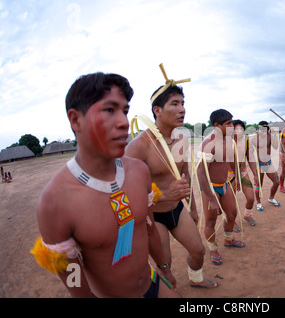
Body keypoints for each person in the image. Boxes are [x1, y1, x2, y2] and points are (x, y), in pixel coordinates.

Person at [31, 72, 179, 298]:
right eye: (110, 110)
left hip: (152, 283)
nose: (123, 122)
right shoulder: (54, 202)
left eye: (125, 111)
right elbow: (72, 275)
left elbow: (149, 228)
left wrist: (164, 269)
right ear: (75, 120)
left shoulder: (139, 172)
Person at [125, 81, 218, 288]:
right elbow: (128, 195)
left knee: (198, 251)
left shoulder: (181, 138)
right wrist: (166, 195)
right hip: (153, 216)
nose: (182, 109)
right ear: (157, 110)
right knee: (165, 265)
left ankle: (195, 279)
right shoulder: (138, 147)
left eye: (183, 103)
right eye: (174, 104)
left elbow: (185, 174)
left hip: (177, 209)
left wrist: (192, 206)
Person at [196, 109, 245, 266]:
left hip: (225, 184)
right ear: (217, 125)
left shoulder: (228, 141)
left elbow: (231, 161)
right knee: (211, 221)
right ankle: (213, 249)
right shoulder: (208, 144)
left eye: (232, 122)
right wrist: (211, 197)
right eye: (228, 123)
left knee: (232, 214)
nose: (232, 126)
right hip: (211, 188)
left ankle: (229, 240)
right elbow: (200, 172)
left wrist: (236, 177)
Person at [248, 121, 281, 211]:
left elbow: (275, 146)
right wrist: (255, 167)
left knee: (277, 182)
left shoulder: (270, 136)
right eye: (261, 130)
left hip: (268, 163)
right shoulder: (253, 139)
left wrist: (274, 136)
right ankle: (258, 203)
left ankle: (271, 198)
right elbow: (250, 154)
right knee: (259, 185)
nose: (262, 132)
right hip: (258, 164)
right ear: (258, 129)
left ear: (267, 130)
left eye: (265, 130)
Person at [229, 119, 257, 227]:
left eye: (241, 128)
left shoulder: (246, 141)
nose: (239, 131)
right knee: (231, 201)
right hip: (230, 174)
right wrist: (235, 178)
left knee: (250, 198)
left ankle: (247, 215)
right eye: (236, 129)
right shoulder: (227, 142)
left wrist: (255, 174)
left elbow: (250, 159)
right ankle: (231, 221)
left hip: (242, 172)